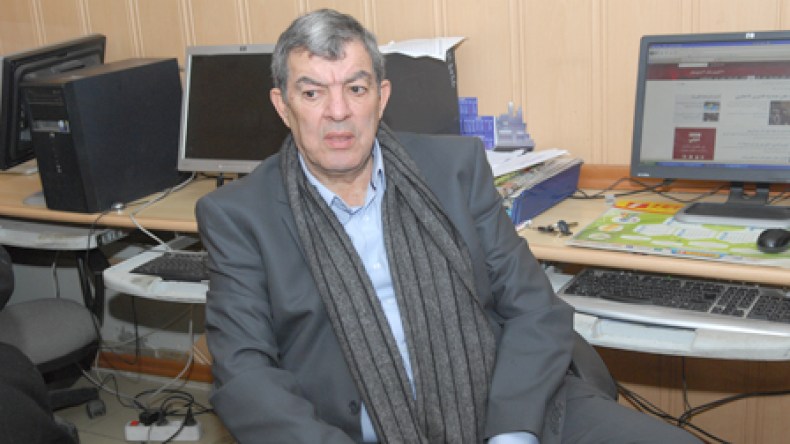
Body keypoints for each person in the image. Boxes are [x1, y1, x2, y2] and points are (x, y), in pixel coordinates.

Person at [195, 8, 701, 443]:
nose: (339, 112)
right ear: (282, 106)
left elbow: (534, 308)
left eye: (356, 88)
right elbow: (245, 376)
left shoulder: (455, 168)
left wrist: (511, 432)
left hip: (509, 404)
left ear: (381, 96)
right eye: (312, 93)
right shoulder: (239, 215)